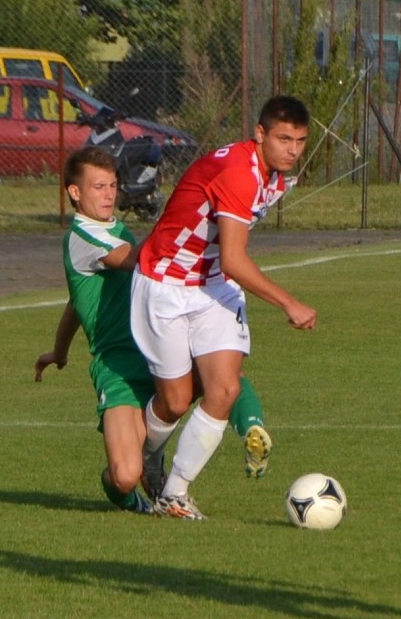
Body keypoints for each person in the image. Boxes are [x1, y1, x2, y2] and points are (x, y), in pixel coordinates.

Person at [35, 146, 274, 517]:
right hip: (118, 370)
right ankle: (129, 497)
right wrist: (185, 226)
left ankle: (252, 431)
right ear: (75, 192)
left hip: (155, 348)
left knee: (223, 377)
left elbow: (76, 303)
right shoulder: (83, 238)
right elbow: (137, 260)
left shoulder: (116, 228)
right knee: (125, 476)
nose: (109, 194)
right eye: (98, 186)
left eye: (112, 185)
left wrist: (59, 351)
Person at [130, 95, 316, 521]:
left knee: (225, 389)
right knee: (175, 402)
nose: (292, 149)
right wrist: (288, 303)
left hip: (213, 285)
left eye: (300, 141)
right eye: (284, 138)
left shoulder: (274, 173)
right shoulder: (238, 172)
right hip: (165, 283)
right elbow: (234, 257)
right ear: (260, 134)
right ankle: (149, 454)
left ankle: (175, 492)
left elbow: (224, 263)